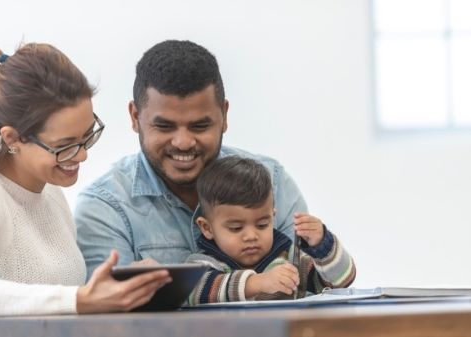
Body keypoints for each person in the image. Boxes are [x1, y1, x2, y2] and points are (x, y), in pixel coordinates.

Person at [74, 40, 355, 281]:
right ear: (135, 118)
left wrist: (324, 247)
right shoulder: (105, 208)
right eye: (165, 127)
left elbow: (312, 287)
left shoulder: (272, 181)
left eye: (199, 126)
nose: (183, 142)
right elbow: (111, 318)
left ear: (225, 115)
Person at [0, 43, 171, 319]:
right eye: (65, 145)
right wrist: (80, 299)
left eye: (87, 135)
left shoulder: (51, 193)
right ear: (13, 138)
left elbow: (53, 302)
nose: (81, 155)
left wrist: (121, 288)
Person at [185, 156, 355, 304]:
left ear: (273, 217)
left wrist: (322, 244)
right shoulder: (202, 264)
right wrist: (256, 283)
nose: (251, 236)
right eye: (236, 228)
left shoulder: (291, 259)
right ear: (207, 228)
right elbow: (193, 292)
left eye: (262, 225)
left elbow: (341, 281)